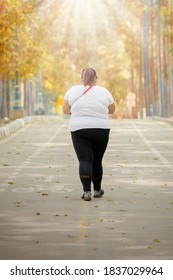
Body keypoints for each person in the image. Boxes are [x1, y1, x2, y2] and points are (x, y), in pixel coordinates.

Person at [63, 67, 115, 201]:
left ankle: (86, 192)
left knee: (85, 160)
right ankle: (97, 190)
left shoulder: (72, 91)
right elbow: (112, 110)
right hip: (101, 129)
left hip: (79, 130)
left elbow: (65, 110)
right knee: (97, 160)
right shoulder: (104, 91)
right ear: (95, 79)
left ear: (81, 78)